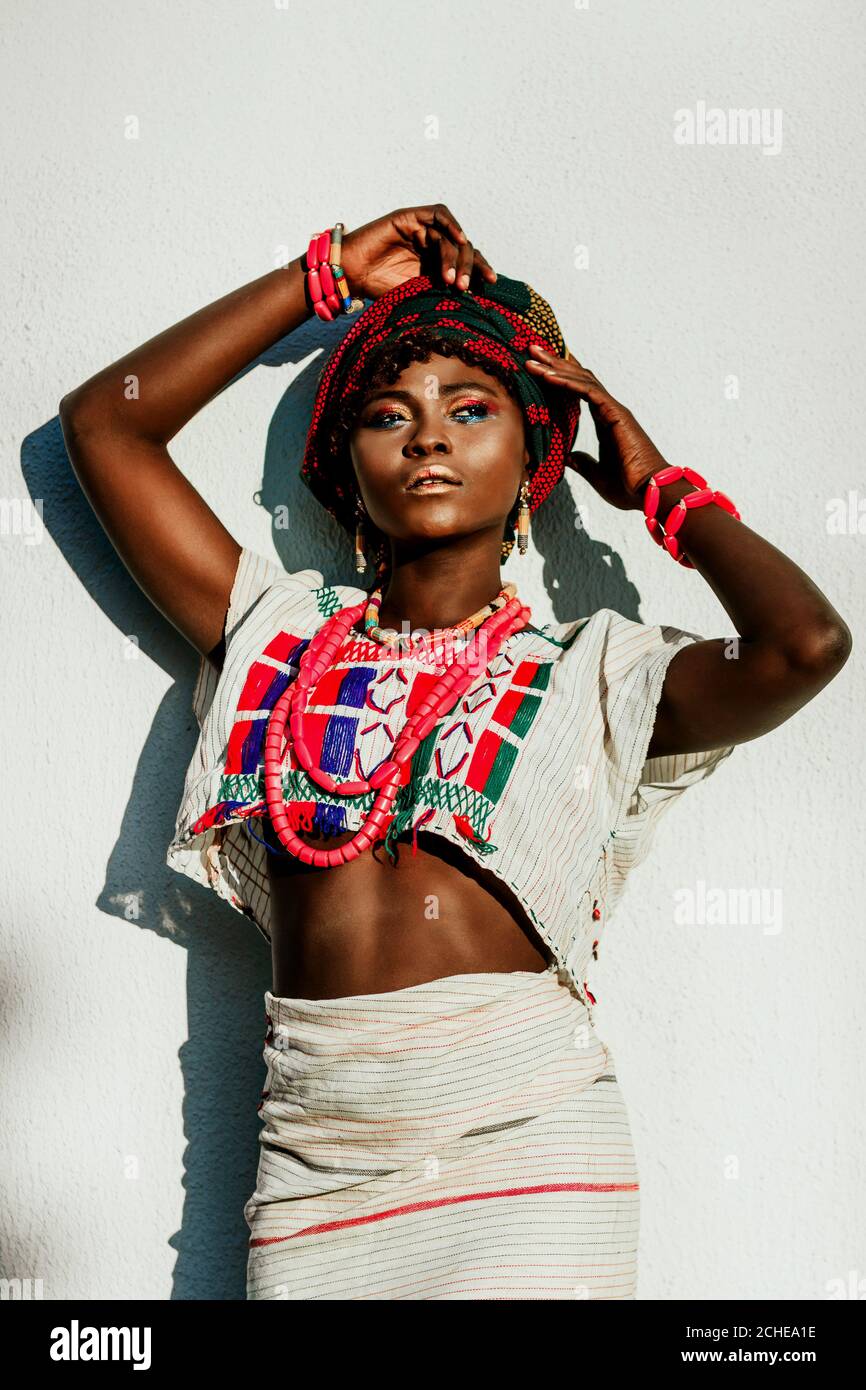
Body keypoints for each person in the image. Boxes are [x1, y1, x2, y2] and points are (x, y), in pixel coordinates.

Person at [59, 203, 852, 1301]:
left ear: (534, 447)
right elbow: (105, 425)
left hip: (524, 1151)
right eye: (389, 413)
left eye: (469, 408)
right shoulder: (275, 637)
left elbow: (802, 644)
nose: (427, 434)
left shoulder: (592, 671)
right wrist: (320, 275)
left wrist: (661, 487)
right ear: (347, 463)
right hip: (312, 1166)